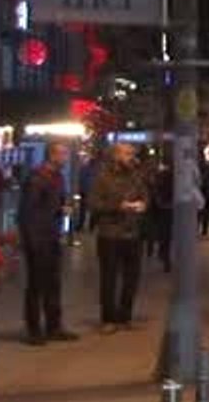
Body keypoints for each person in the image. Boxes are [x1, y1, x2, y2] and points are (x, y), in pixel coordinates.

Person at [17, 143, 80, 345]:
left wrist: (63, 209)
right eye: (62, 154)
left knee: (53, 283)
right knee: (36, 284)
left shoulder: (57, 178)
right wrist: (32, 240)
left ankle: (53, 326)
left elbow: (54, 205)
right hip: (38, 238)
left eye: (65, 154)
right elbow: (28, 212)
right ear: (51, 155)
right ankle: (33, 329)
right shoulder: (37, 178)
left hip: (51, 236)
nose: (65, 158)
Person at [91, 144, 149, 333]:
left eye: (132, 153)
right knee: (109, 277)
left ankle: (125, 316)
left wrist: (142, 205)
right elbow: (94, 203)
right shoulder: (103, 177)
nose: (131, 157)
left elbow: (145, 196)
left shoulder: (136, 176)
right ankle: (108, 318)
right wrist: (118, 206)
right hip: (110, 234)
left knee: (131, 277)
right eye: (126, 153)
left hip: (132, 233)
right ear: (115, 156)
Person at [149, 163, 174, 272]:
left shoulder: (161, 176)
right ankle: (164, 254)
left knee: (164, 233)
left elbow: (155, 191)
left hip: (164, 208)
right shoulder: (173, 177)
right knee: (166, 234)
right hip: (167, 208)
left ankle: (163, 253)